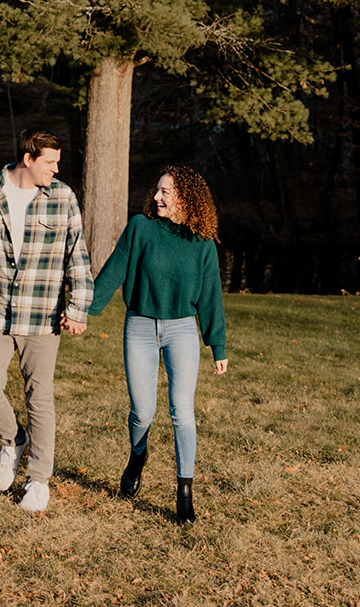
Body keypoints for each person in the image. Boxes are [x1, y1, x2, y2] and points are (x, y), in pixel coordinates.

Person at [0, 127, 94, 513]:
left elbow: (77, 256)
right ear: (28, 159)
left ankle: (39, 480)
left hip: (41, 314)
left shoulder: (63, 198)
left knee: (38, 398)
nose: (56, 170)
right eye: (50, 162)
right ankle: (13, 440)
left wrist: (78, 308)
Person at [89, 165, 228, 525]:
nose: (156, 197)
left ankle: (184, 491)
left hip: (181, 330)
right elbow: (114, 270)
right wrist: (83, 310)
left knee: (182, 412)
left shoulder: (202, 244)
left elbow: (211, 296)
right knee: (142, 412)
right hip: (139, 326)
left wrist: (217, 345)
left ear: (186, 198)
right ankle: (138, 456)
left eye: (165, 192)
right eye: (157, 190)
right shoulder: (141, 228)